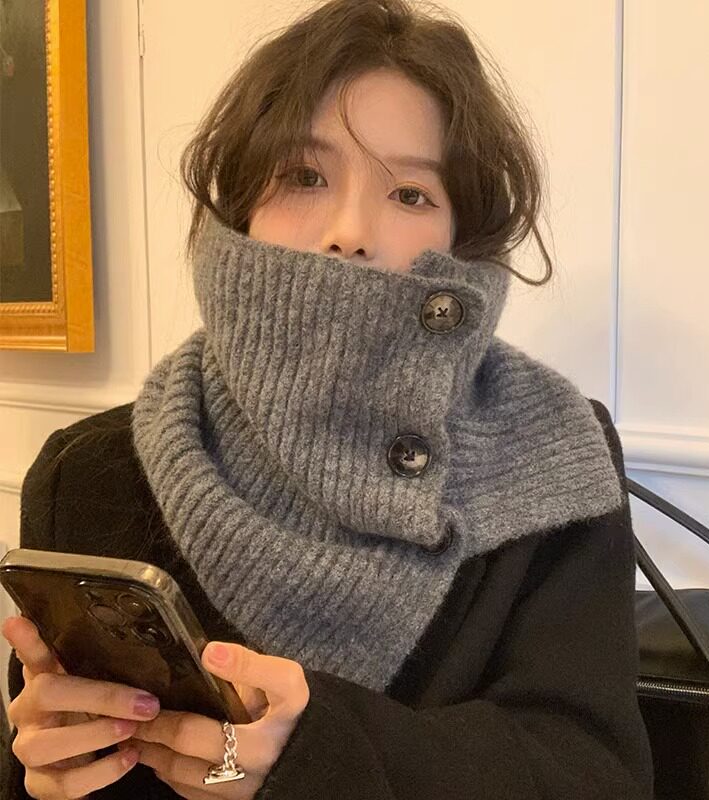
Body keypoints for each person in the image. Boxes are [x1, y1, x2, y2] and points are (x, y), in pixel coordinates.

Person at [1, 0, 655, 797]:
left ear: (463, 237)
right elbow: (47, 752)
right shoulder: (89, 472)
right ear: (240, 210)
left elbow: (593, 774)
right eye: (304, 177)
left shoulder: (553, 456)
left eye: (410, 194)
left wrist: (324, 754)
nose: (350, 231)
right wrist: (44, 768)